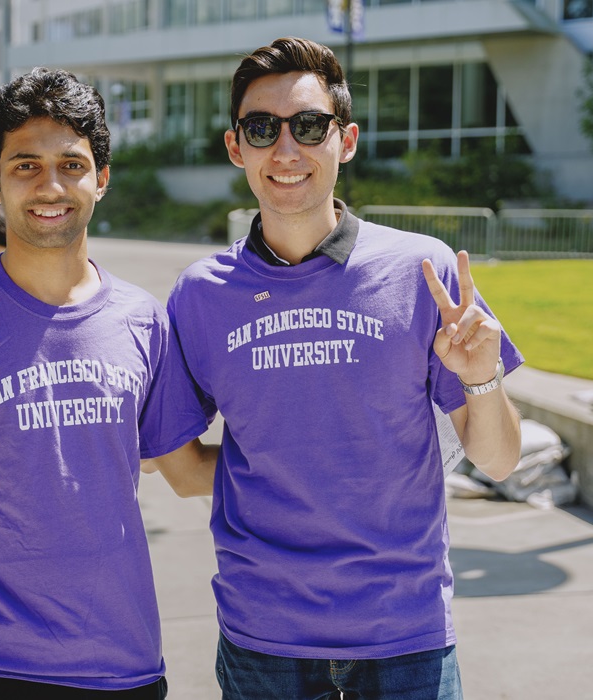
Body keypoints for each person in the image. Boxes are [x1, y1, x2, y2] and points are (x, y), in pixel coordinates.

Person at [154, 37, 525, 699]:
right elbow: (181, 474)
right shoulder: (201, 294)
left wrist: (480, 377)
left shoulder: (424, 272)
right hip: (262, 638)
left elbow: (496, 460)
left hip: (405, 635)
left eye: (309, 126)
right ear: (236, 147)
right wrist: (294, 473)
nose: (286, 150)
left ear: (345, 139)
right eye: (262, 129)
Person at [0, 67, 213, 698]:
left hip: (122, 663)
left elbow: (183, 471)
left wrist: (334, 449)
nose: (50, 185)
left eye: (71, 165)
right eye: (25, 166)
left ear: (101, 179)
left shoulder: (142, 318)